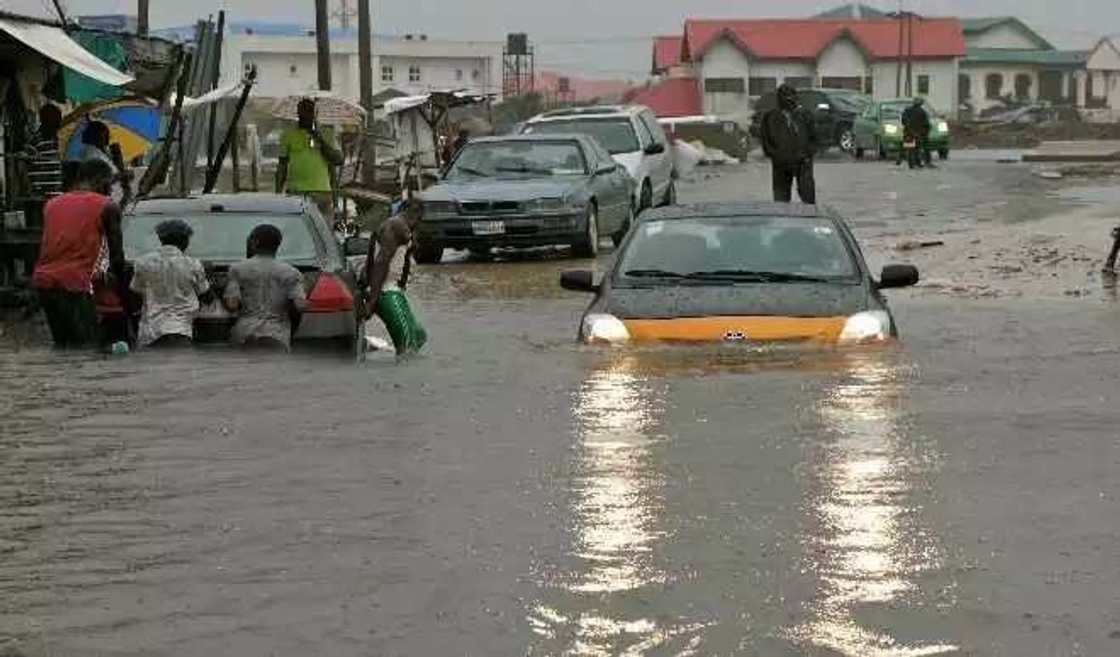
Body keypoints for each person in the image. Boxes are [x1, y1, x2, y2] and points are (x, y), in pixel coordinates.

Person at [31, 158, 124, 349]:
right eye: (109, 184)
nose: (110, 190)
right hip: (76, 284)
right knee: (87, 349)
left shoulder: (52, 204)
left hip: (43, 282)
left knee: (62, 346)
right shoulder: (107, 206)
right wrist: (123, 293)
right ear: (99, 180)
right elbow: (118, 258)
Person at [130, 219, 214, 348]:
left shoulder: (142, 263)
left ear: (160, 238)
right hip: (181, 331)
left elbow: (135, 294)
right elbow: (207, 297)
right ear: (185, 240)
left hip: (150, 332)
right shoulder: (193, 264)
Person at [223, 224, 308, 351]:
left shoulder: (237, 269)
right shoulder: (291, 272)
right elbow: (300, 305)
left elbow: (232, 304)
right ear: (278, 244)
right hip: (277, 335)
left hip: (244, 334)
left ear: (254, 242)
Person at [276, 98, 343, 228]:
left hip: (321, 193)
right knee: (296, 230)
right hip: (296, 192)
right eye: (303, 111)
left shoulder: (326, 133)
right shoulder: (288, 134)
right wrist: (278, 195)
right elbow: (282, 166)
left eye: (310, 112)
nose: (306, 115)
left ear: (315, 113)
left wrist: (319, 138)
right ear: (298, 113)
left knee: (323, 230)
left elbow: (337, 161)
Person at [759, 84, 818, 204]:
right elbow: (765, 138)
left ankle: (810, 219)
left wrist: (808, 154)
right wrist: (774, 155)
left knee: (808, 196)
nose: (789, 100)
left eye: (792, 96)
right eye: (786, 97)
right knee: (781, 199)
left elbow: (814, 136)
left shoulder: (804, 115)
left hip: (803, 162)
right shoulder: (770, 117)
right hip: (781, 163)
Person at [365, 198, 424, 310]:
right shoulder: (396, 226)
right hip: (385, 290)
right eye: (420, 218)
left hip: (389, 290)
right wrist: (373, 300)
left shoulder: (404, 228)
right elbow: (381, 261)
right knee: (412, 328)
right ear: (416, 213)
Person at [25, 103, 64, 201]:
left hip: (55, 195)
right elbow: (29, 168)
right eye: (57, 119)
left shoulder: (59, 140)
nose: (59, 122)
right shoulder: (36, 141)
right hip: (42, 196)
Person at [900, 98, 933, 170]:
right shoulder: (922, 112)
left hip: (908, 132)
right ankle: (918, 163)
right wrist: (925, 132)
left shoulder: (907, 110)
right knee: (917, 148)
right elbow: (926, 124)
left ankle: (908, 162)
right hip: (918, 133)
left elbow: (903, 121)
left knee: (909, 148)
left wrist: (907, 127)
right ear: (921, 104)